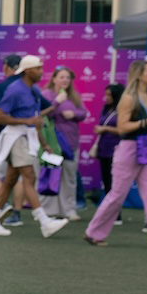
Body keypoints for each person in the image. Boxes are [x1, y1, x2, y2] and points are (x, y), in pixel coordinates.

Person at [81, 61, 147, 248]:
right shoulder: (129, 98)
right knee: (117, 195)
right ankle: (93, 232)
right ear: (138, 74)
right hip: (129, 147)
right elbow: (122, 127)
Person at [0, 55, 69, 238]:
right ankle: (45, 222)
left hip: (25, 137)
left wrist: (44, 143)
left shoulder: (33, 90)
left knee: (10, 181)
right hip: (15, 138)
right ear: (28, 70)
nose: (41, 72)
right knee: (29, 176)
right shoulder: (15, 90)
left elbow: (34, 119)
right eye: (38, 68)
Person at [0, 55, 35, 225]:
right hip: (21, 137)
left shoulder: (6, 87)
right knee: (16, 176)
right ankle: (15, 214)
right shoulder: (27, 87)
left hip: (2, 137)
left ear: (6, 67)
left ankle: (3, 206)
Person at [40, 66, 88, 221]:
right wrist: (55, 102)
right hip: (52, 143)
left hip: (71, 143)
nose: (65, 80)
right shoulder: (47, 94)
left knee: (69, 177)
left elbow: (83, 113)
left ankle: (68, 210)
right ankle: (48, 210)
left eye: (67, 77)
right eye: (61, 77)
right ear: (54, 79)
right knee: (51, 175)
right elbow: (41, 113)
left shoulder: (73, 96)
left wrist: (74, 114)